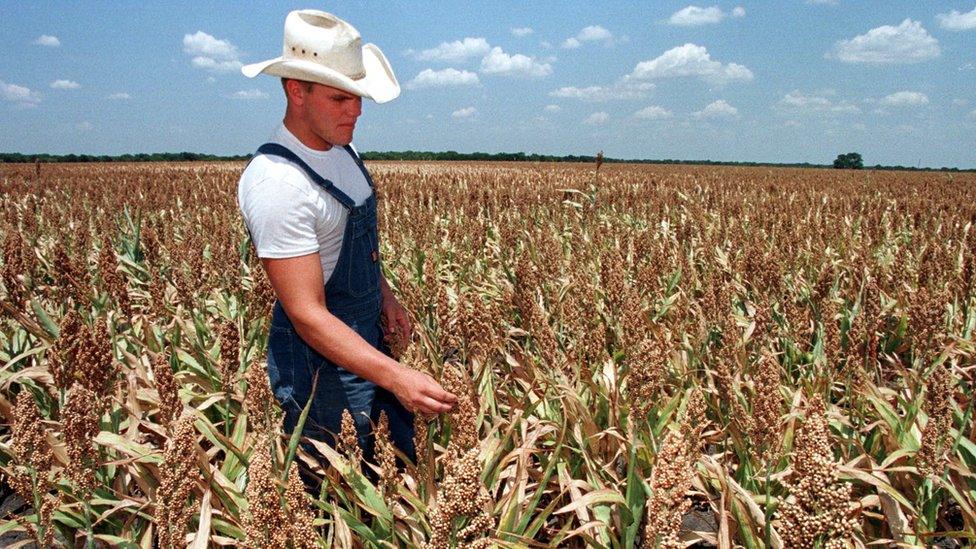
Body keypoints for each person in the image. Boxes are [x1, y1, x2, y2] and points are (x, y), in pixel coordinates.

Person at [237, 9, 456, 470]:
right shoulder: (277, 184)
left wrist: (384, 294)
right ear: (297, 91)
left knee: (397, 474)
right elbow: (307, 315)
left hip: (369, 346)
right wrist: (397, 376)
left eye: (358, 97)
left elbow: (351, 245)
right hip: (323, 371)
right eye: (340, 99)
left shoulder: (343, 148)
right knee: (338, 500)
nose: (355, 111)